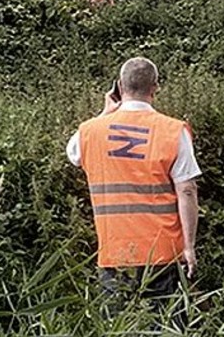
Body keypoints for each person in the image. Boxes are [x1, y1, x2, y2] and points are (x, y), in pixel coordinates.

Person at [66, 56, 200, 322]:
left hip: (114, 252)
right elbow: (187, 190)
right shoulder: (173, 130)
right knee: (166, 327)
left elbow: (73, 153)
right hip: (163, 252)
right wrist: (189, 246)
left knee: (118, 326)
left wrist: (105, 114)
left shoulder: (89, 131)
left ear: (118, 86)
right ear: (155, 88)